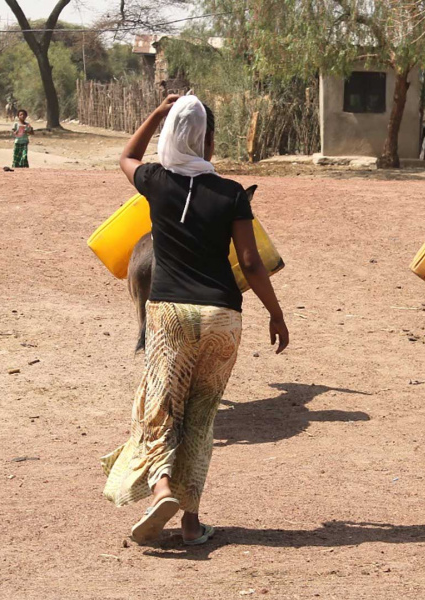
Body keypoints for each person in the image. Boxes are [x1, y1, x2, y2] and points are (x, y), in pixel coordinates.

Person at [101, 94, 289, 546]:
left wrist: (157, 114)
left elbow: (125, 156)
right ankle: (190, 523)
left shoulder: (155, 181)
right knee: (202, 418)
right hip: (224, 315)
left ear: (168, 136)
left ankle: (162, 486)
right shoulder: (231, 193)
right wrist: (276, 312)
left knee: (160, 407)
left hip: (170, 316)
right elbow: (250, 261)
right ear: (207, 141)